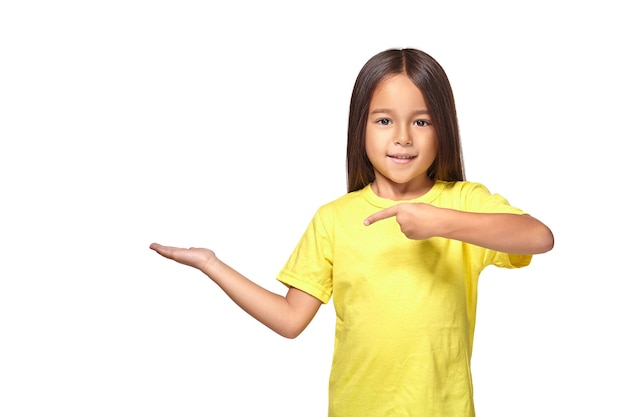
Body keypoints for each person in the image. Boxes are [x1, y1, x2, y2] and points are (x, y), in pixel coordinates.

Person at [150, 47, 554, 417]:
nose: (402, 137)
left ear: (443, 128)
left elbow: (538, 237)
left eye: (421, 120)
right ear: (359, 127)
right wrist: (211, 264)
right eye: (383, 120)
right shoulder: (334, 219)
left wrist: (439, 220)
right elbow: (290, 320)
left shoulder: (464, 203)